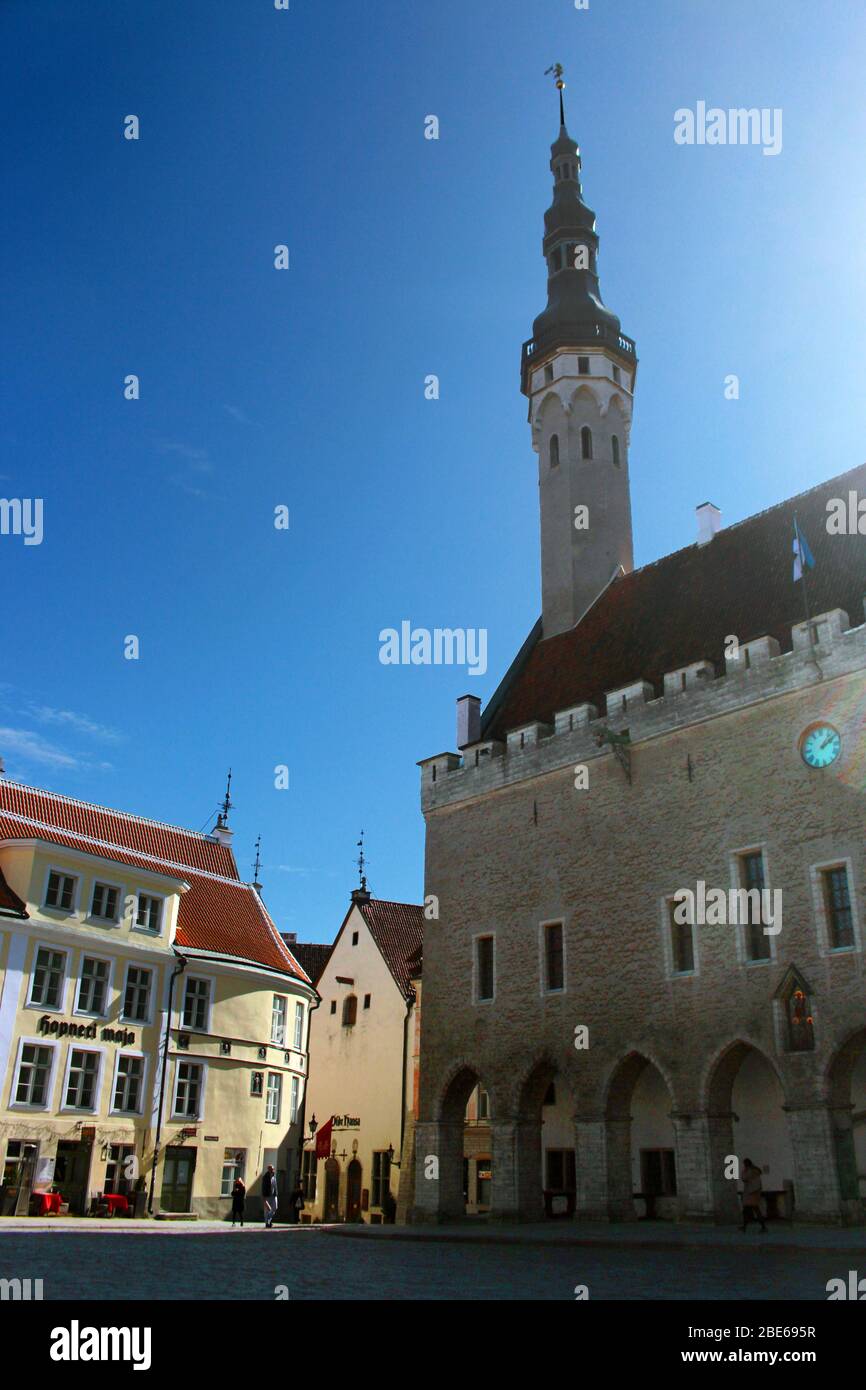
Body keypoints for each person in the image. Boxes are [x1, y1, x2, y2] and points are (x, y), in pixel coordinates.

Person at [740, 1158, 767, 1233]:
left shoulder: (750, 1171)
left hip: (750, 1193)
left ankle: (762, 1226)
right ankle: (761, 1226)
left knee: (748, 1210)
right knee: (754, 1210)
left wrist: (744, 1171)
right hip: (754, 1192)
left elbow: (744, 1178)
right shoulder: (755, 1171)